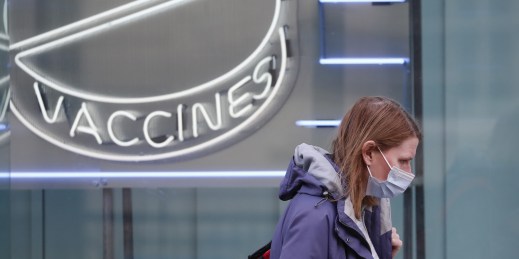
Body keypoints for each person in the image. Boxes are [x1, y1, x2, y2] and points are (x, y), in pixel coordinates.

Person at [270, 96, 421, 259]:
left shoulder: (362, 210)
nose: (409, 171)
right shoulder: (313, 216)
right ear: (369, 153)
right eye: (403, 160)